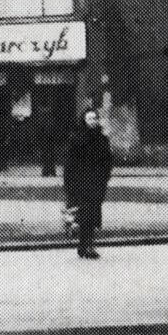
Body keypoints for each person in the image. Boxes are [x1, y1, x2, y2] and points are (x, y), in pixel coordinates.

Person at [63, 108, 114, 258]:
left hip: (97, 183)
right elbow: (70, 163)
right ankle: (84, 246)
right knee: (85, 216)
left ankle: (88, 245)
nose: (92, 121)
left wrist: (105, 176)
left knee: (93, 216)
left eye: (94, 118)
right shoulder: (77, 138)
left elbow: (108, 160)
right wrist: (70, 184)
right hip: (82, 183)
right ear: (84, 120)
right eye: (89, 118)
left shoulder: (102, 139)